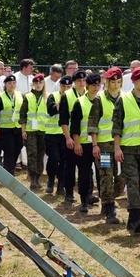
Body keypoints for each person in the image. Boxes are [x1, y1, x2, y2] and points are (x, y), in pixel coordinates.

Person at [113, 66, 140, 233]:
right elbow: (117, 126)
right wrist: (117, 148)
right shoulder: (124, 100)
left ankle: (132, 219)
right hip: (128, 148)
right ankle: (136, 216)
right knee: (133, 182)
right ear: (134, 82)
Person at [87, 67, 125, 224]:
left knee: (121, 177)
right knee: (106, 175)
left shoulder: (125, 98)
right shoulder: (99, 99)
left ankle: (110, 198)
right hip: (103, 145)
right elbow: (93, 124)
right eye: (113, 82)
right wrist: (95, 145)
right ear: (107, 82)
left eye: (118, 82)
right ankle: (109, 207)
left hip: (122, 145)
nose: (116, 85)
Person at [70, 73, 103, 213]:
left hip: (102, 144)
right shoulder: (80, 102)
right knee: (84, 172)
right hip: (84, 144)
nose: (96, 88)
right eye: (93, 85)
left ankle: (106, 201)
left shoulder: (103, 101)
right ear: (87, 86)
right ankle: (84, 199)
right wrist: (76, 143)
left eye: (98, 85)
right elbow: (75, 126)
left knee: (104, 172)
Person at [59, 70, 87, 203]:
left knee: (86, 168)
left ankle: (86, 193)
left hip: (86, 137)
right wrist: (67, 138)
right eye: (79, 81)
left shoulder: (90, 94)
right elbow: (63, 119)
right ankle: (69, 192)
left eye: (83, 80)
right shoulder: (67, 95)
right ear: (74, 82)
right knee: (70, 166)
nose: (82, 83)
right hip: (71, 135)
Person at [45, 76, 73, 194]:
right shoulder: (53, 96)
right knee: (54, 158)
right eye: (63, 86)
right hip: (53, 134)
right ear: (59, 86)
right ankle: (51, 180)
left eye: (68, 87)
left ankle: (61, 185)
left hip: (66, 134)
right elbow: (50, 110)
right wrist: (61, 102)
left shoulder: (74, 97)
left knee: (63, 161)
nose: (65, 89)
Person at [20, 73, 47, 190]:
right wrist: (23, 130)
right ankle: (33, 179)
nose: (38, 84)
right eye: (36, 82)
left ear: (43, 83)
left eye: (40, 82)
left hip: (43, 130)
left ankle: (38, 176)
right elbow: (22, 114)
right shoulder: (28, 96)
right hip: (30, 130)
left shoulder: (48, 97)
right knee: (32, 154)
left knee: (40, 155)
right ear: (33, 84)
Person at [0, 75, 24, 175]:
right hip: (5, 128)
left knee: (18, 147)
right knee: (9, 150)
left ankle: (10, 168)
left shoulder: (20, 95)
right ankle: (8, 171)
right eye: (9, 83)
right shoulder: (0, 97)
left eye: (14, 83)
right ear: (5, 85)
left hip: (17, 127)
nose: (12, 85)